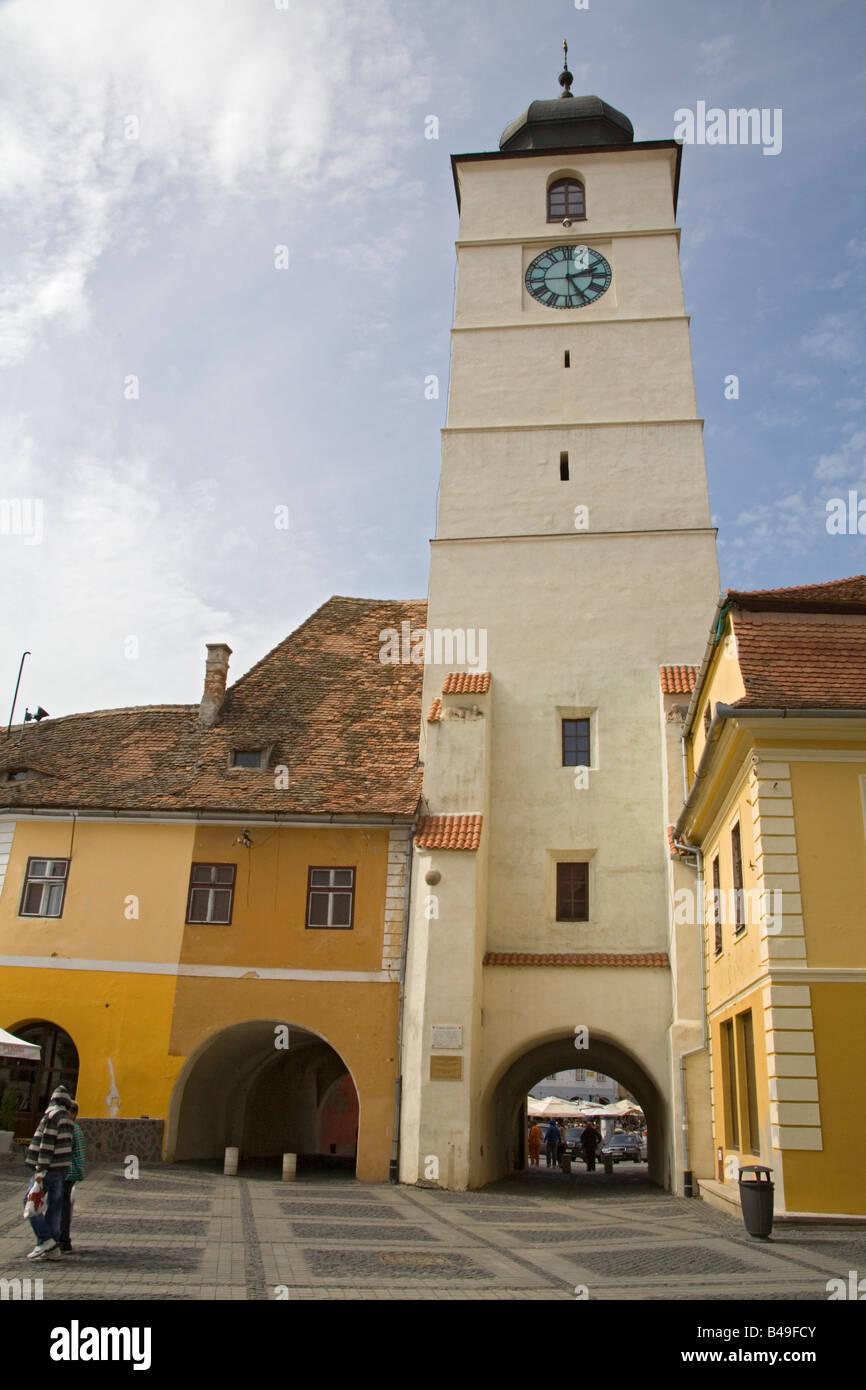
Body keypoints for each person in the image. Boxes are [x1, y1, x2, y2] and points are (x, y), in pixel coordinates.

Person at [23, 1084, 76, 1260]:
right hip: (61, 1170)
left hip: (48, 1170)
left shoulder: (52, 1116)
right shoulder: (68, 1118)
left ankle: (45, 1241)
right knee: (55, 1208)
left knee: (30, 1204)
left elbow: (47, 1145)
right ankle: (52, 1249)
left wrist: (40, 1170)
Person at [59, 1100, 85, 1254]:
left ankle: (63, 1240)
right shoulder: (76, 1129)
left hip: (68, 1172)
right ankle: (62, 1239)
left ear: (73, 1113)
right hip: (72, 1172)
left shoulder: (71, 1129)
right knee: (64, 1205)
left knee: (62, 1206)